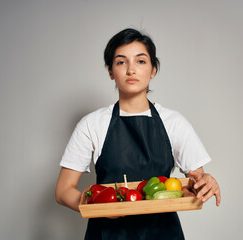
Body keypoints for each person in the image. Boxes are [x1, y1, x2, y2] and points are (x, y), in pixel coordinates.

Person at [55, 28, 221, 240]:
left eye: (141, 61)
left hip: (163, 234)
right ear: (110, 71)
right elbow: (63, 191)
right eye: (121, 62)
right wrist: (100, 207)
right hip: (107, 234)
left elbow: (196, 182)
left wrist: (206, 182)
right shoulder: (92, 124)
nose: (131, 70)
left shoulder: (174, 123)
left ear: (153, 69)